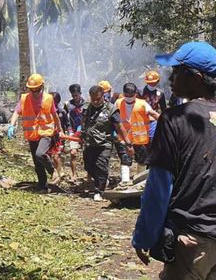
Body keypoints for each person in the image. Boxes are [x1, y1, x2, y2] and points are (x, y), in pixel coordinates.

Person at [133, 41, 216, 278]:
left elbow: (159, 186)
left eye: (176, 72)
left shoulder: (174, 120)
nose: (170, 79)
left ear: (196, 78)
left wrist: (145, 235)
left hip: (193, 239)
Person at [8, 74, 62, 193]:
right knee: (37, 163)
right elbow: (17, 112)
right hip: (32, 134)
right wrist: (11, 125)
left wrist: (59, 129)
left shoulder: (48, 98)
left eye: (36, 90)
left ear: (41, 87)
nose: (34, 92)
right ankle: (43, 186)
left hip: (46, 132)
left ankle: (53, 172)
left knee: (40, 154)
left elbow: (54, 115)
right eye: (32, 90)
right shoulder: (24, 98)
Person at [80, 85, 132, 201]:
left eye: (98, 99)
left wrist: (128, 143)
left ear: (103, 96)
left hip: (104, 144)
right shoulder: (86, 107)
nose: (96, 101)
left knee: (101, 166)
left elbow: (120, 127)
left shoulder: (111, 109)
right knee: (88, 166)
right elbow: (83, 122)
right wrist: (81, 134)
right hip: (89, 143)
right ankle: (103, 180)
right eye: (93, 99)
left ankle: (99, 190)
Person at [116, 83, 160, 178]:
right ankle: (125, 181)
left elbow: (155, 115)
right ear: (123, 93)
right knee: (125, 159)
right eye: (127, 95)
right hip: (124, 137)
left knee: (142, 161)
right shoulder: (118, 103)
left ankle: (139, 179)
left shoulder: (142, 104)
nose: (129, 98)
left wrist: (166, 123)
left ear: (135, 94)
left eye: (131, 95)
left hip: (140, 139)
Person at [63, 84, 85, 180]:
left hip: (85, 132)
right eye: (73, 96)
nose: (75, 98)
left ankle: (89, 175)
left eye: (77, 95)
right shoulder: (68, 105)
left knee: (88, 154)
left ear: (80, 93)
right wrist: (67, 129)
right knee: (73, 152)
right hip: (73, 132)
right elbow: (63, 117)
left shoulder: (87, 104)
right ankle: (73, 174)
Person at [49, 92, 69, 183]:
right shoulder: (45, 110)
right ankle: (54, 173)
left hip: (59, 137)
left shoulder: (62, 112)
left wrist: (68, 134)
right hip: (48, 136)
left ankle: (59, 174)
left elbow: (67, 124)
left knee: (56, 156)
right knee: (49, 156)